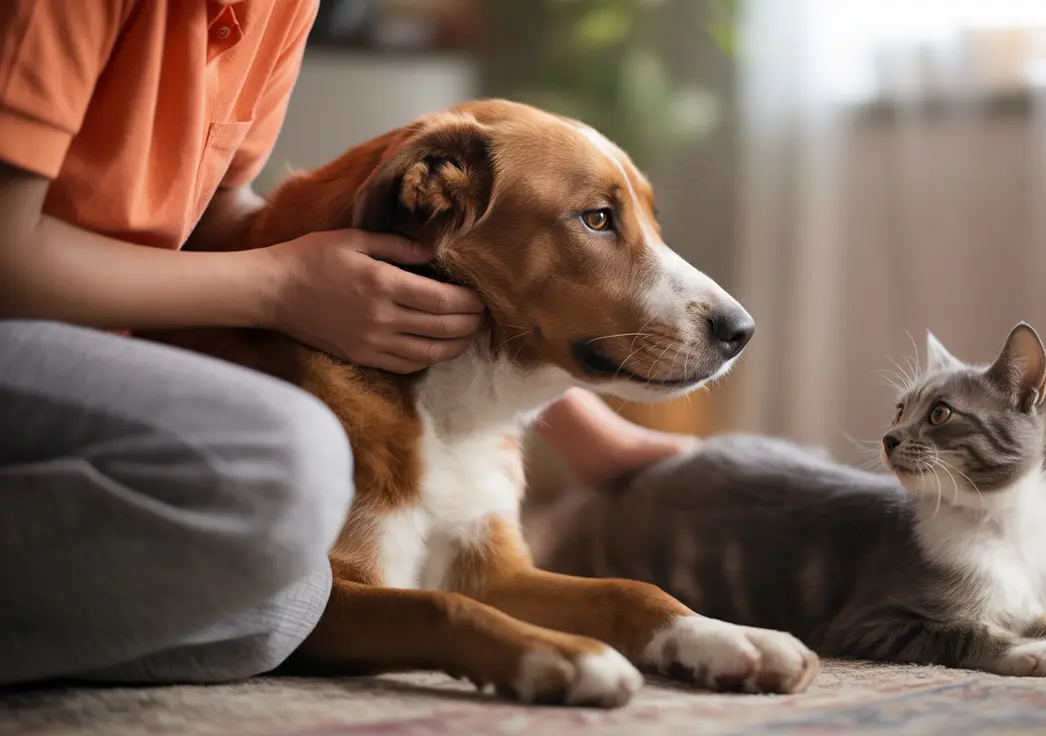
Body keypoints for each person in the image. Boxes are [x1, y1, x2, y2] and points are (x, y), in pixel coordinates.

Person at [0, 0, 695, 686]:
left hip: (114, 351)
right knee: (291, 485)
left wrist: (574, 411)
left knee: (290, 594)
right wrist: (278, 288)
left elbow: (214, 215)